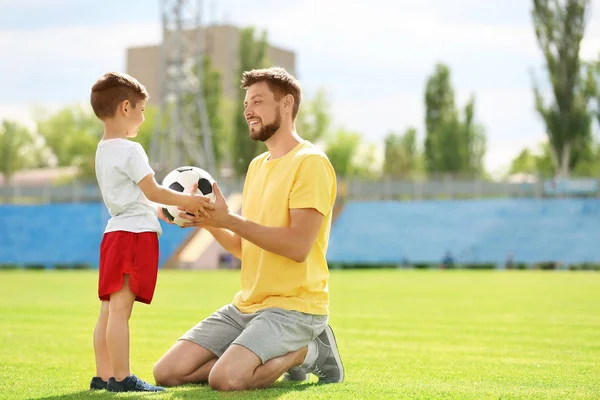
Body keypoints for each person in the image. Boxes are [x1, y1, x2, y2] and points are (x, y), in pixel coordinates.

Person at [153, 66, 344, 391]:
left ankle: (306, 351)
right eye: (245, 105)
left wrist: (228, 219)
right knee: (167, 373)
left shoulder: (310, 163)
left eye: (257, 102)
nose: (248, 111)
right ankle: (256, 351)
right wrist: (209, 222)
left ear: (286, 104)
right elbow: (245, 248)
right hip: (247, 305)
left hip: (295, 307)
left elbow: (298, 247)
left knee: (226, 379)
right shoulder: (257, 166)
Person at [89, 72, 214, 393]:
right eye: (142, 111)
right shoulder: (131, 151)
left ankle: (103, 376)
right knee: (120, 311)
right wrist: (187, 199)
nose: (143, 119)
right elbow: (154, 191)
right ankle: (122, 378)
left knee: (107, 310)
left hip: (115, 232)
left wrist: (165, 214)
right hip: (133, 236)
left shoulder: (103, 150)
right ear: (126, 107)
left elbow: (139, 199)